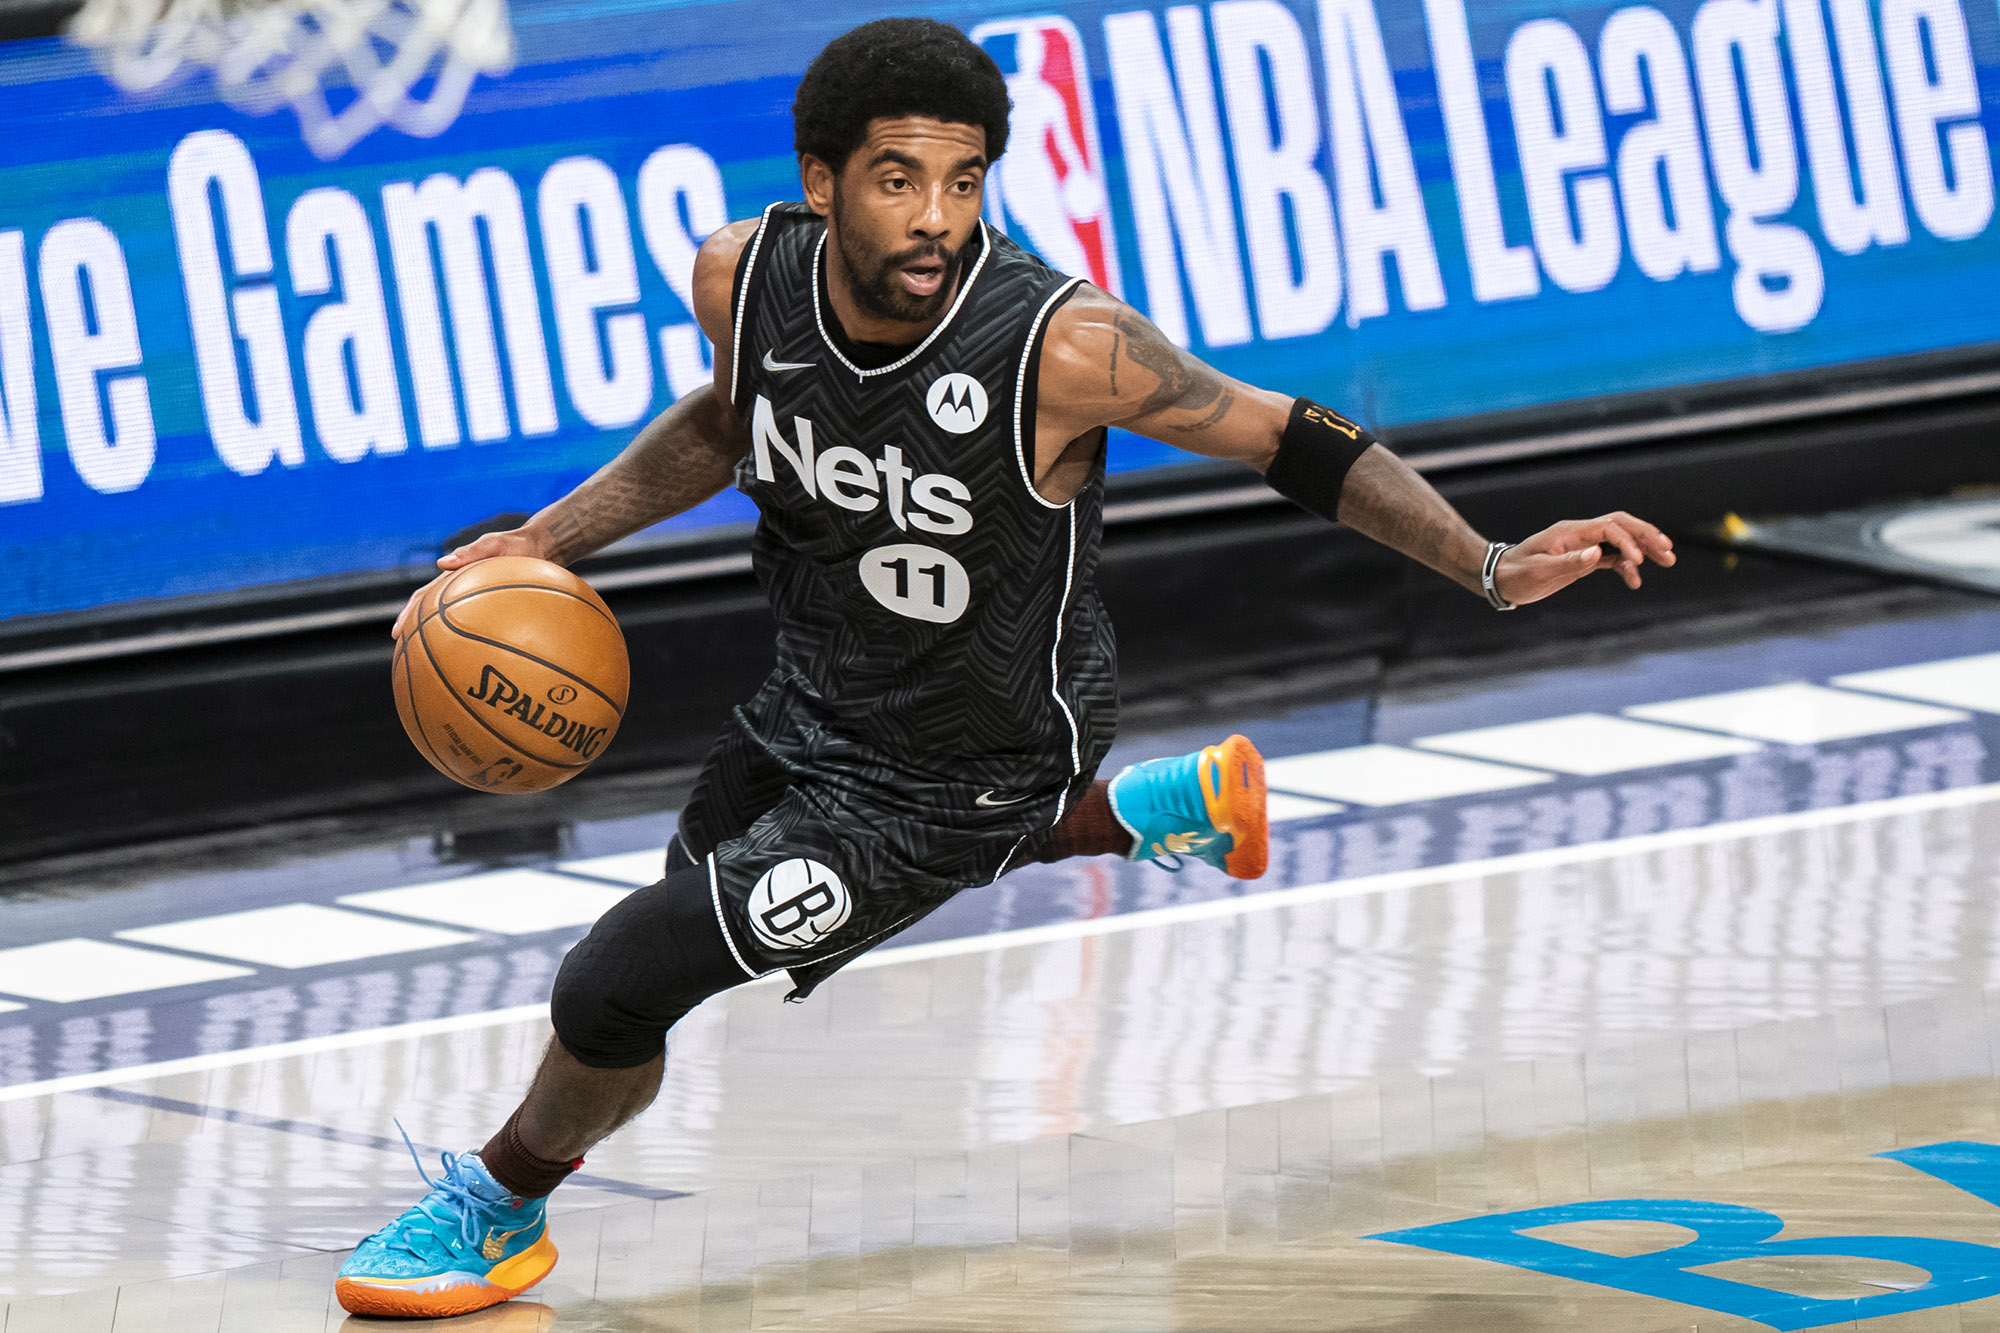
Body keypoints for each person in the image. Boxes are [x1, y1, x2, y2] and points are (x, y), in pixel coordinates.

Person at [334, 17, 1674, 1319]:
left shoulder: (1062, 342)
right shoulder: (742, 278)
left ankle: (496, 1207)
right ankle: (1144, 811)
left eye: (964, 181)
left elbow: (1290, 437)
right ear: (820, 181)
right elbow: (731, 415)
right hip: (812, 708)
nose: (935, 215)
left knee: (617, 974)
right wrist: (544, 541)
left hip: (962, 762)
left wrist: (1490, 562)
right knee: (647, 989)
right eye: (899, 178)